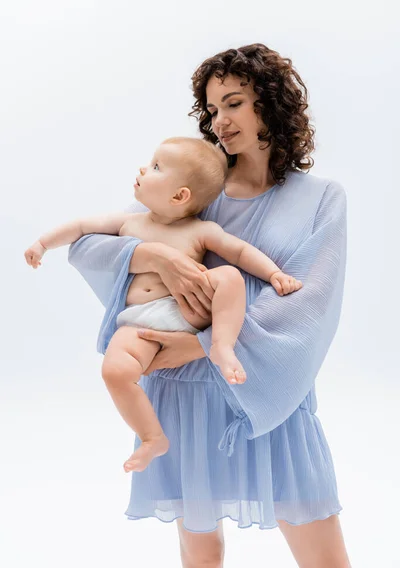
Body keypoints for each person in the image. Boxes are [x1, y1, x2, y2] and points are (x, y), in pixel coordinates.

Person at [68, 44, 351, 567]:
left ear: (270, 103)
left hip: (269, 397)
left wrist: (196, 345)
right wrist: (152, 255)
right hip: (183, 400)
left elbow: (309, 308)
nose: (220, 121)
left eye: (234, 103)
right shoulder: (195, 192)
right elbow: (86, 243)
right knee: (200, 555)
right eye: (213, 109)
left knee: (324, 556)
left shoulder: (322, 199)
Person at [24, 136, 302, 474]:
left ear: (180, 195)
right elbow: (81, 228)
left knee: (229, 276)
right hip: (140, 323)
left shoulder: (202, 230)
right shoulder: (129, 223)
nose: (143, 168)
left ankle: (222, 345)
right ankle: (152, 436)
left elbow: (241, 253)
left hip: (185, 316)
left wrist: (274, 274)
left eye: (155, 166)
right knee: (114, 371)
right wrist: (42, 244)